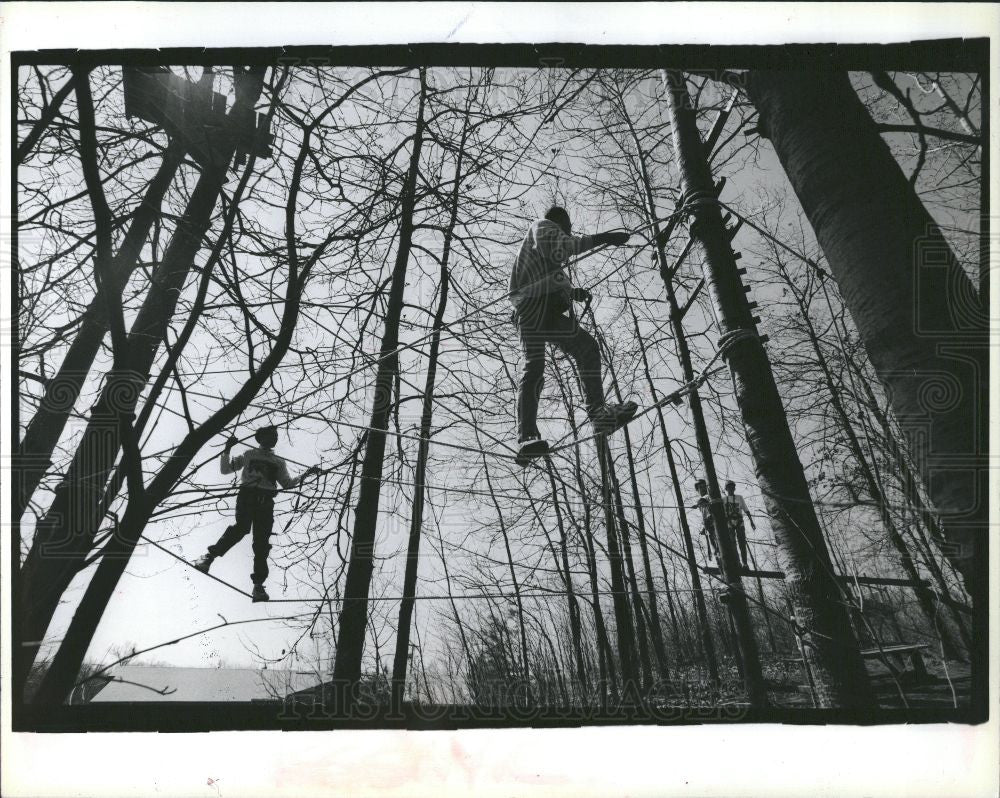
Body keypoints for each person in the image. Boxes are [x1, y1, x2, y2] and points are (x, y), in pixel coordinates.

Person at [510, 205, 638, 465]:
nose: (567, 234)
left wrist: (572, 292)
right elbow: (563, 247)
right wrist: (604, 238)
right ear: (559, 223)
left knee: (586, 347)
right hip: (531, 306)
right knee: (534, 365)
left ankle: (599, 414)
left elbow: (554, 277)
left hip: (546, 310)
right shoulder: (543, 226)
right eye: (566, 229)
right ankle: (527, 437)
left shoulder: (546, 254)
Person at [194, 425, 318, 602]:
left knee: (261, 543)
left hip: (266, 502)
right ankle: (208, 558)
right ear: (261, 437)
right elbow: (226, 470)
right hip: (248, 496)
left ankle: (258, 586)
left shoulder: (279, 462)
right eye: (271, 435)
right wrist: (227, 449)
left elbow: (287, 484)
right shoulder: (249, 455)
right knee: (241, 529)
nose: (275, 438)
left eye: (276, 435)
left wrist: (306, 474)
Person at [723, 479, 756, 569]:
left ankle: (745, 563)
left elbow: (746, 509)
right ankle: (737, 563)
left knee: (742, 543)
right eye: (729, 487)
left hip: (739, 522)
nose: (731, 488)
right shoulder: (724, 499)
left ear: (734, 488)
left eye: (732, 487)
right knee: (733, 544)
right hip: (729, 523)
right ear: (726, 489)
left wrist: (751, 521)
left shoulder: (739, 497)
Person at [691, 478, 719, 558]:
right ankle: (717, 555)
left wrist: (697, 504)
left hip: (713, 519)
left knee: (716, 538)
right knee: (712, 539)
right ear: (697, 490)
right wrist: (704, 528)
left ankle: (718, 552)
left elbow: (703, 501)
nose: (703, 489)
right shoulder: (701, 501)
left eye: (704, 487)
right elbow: (704, 514)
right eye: (700, 487)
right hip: (707, 522)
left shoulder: (708, 496)